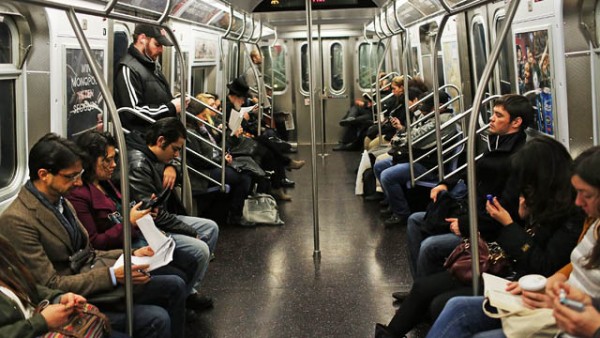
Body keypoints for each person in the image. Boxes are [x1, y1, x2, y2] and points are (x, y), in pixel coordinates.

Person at [375, 136, 584, 338]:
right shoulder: (539, 197)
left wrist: (510, 224)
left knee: (440, 295)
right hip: (504, 262)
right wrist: (522, 219)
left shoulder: (570, 215)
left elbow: (541, 265)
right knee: (423, 287)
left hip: (516, 275)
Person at [0, 133, 186, 338]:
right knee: (156, 318)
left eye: (78, 174)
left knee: (175, 285)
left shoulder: (62, 202)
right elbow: (51, 284)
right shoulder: (18, 220)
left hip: (92, 275)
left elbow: (89, 252)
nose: (78, 183)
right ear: (44, 174)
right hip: (76, 294)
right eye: (71, 176)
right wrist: (113, 276)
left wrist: (132, 253)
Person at [425, 146, 600, 338]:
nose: (579, 202)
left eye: (587, 195)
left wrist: (508, 224)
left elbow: (542, 261)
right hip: (553, 292)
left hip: (564, 307)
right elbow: (575, 264)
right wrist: (555, 280)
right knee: (455, 305)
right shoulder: (591, 223)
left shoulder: (573, 216)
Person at [67, 130, 213, 311]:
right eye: (107, 160)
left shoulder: (105, 183)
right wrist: (130, 222)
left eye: (114, 159)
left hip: (135, 237)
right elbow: (95, 242)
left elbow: (121, 211)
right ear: (89, 161)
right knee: (180, 272)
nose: (113, 165)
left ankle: (182, 302)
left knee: (189, 262)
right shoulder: (79, 195)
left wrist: (143, 212)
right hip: (119, 250)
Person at [405, 94, 533, 280]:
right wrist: (445, 184)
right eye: (493, 113)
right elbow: (475, 170)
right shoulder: (498, 142)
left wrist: (465, 224)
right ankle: (420, 285)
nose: (491, 118)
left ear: (516, 122)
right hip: (473, 211)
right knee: (415, 221)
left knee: (430, 246)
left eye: (498, 115)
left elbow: (505, 210)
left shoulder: (518, 158)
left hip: (490, 228)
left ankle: (425, 292)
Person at [0, 234, 129, 338]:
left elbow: (30, 287)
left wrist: (59, 298)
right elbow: (52, 281)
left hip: (52, 320)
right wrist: (41, 322)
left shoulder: (4, 252)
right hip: (41, 326)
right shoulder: (17, 219)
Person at [126, 117, 220, 254]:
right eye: (175, 149)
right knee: (201, 249)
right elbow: (151, 214)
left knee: (211, 227)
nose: (176, 155)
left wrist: (172, 167)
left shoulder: (155, 155)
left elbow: (178, 169)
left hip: (164, 214)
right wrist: (191, 232)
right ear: (161, 141)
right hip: (151, 226)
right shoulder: (138, 166)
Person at [375, 90, 454, 227]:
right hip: (418, 157)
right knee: (380, 166)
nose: (421, 112)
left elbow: (415, 139)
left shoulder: (441, 122)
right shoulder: (432, 117)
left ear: (439, 106)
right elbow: (414, 134)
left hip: (427, 165)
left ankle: (401, 214)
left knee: (387, 176)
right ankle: (392, 203)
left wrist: (400, 139)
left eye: (425, 108)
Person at [187, 94, 253, 225]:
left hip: (213, 163)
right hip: (203, 174)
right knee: (243, 177)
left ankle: (231, 211)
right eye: (202, 114)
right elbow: (200, 161)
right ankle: (235, 216)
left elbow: (215, 147)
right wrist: (221, 160)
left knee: (246, 170)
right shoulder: (191, 133)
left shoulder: (202, 128)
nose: (205, 117)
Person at [114, 24, 189, 132]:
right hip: (144, 138)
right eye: (157, 44)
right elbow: (133, 112)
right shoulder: (128, 68)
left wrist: (175, 100)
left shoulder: (151, 66)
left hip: (159, 134)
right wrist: (171, 108)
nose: (161, 50)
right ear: (142, 39)